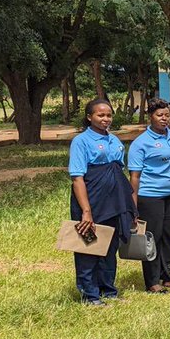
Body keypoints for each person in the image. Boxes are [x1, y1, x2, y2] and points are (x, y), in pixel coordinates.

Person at [68, 98, 136, 305]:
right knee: (88, 247)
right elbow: (77, 178)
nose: (106, 119)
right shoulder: (81, 141)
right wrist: (86, 211)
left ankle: (108, 290)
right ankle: (90, 294)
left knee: (109, 247)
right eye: (101, 115)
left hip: (115, 201)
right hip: (92, 199)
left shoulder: (114, 139)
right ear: (90, 117)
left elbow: (118, 170)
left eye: (108, 115)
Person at [127, 98, 170, 293]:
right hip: (151, 196)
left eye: (167, 115)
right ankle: (152, 281)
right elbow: (134, 176)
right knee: (153, 237)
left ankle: (168, 277)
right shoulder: (141, 143)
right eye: (159, 115)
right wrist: (133, 205)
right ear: (150, 117)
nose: (164, 119)